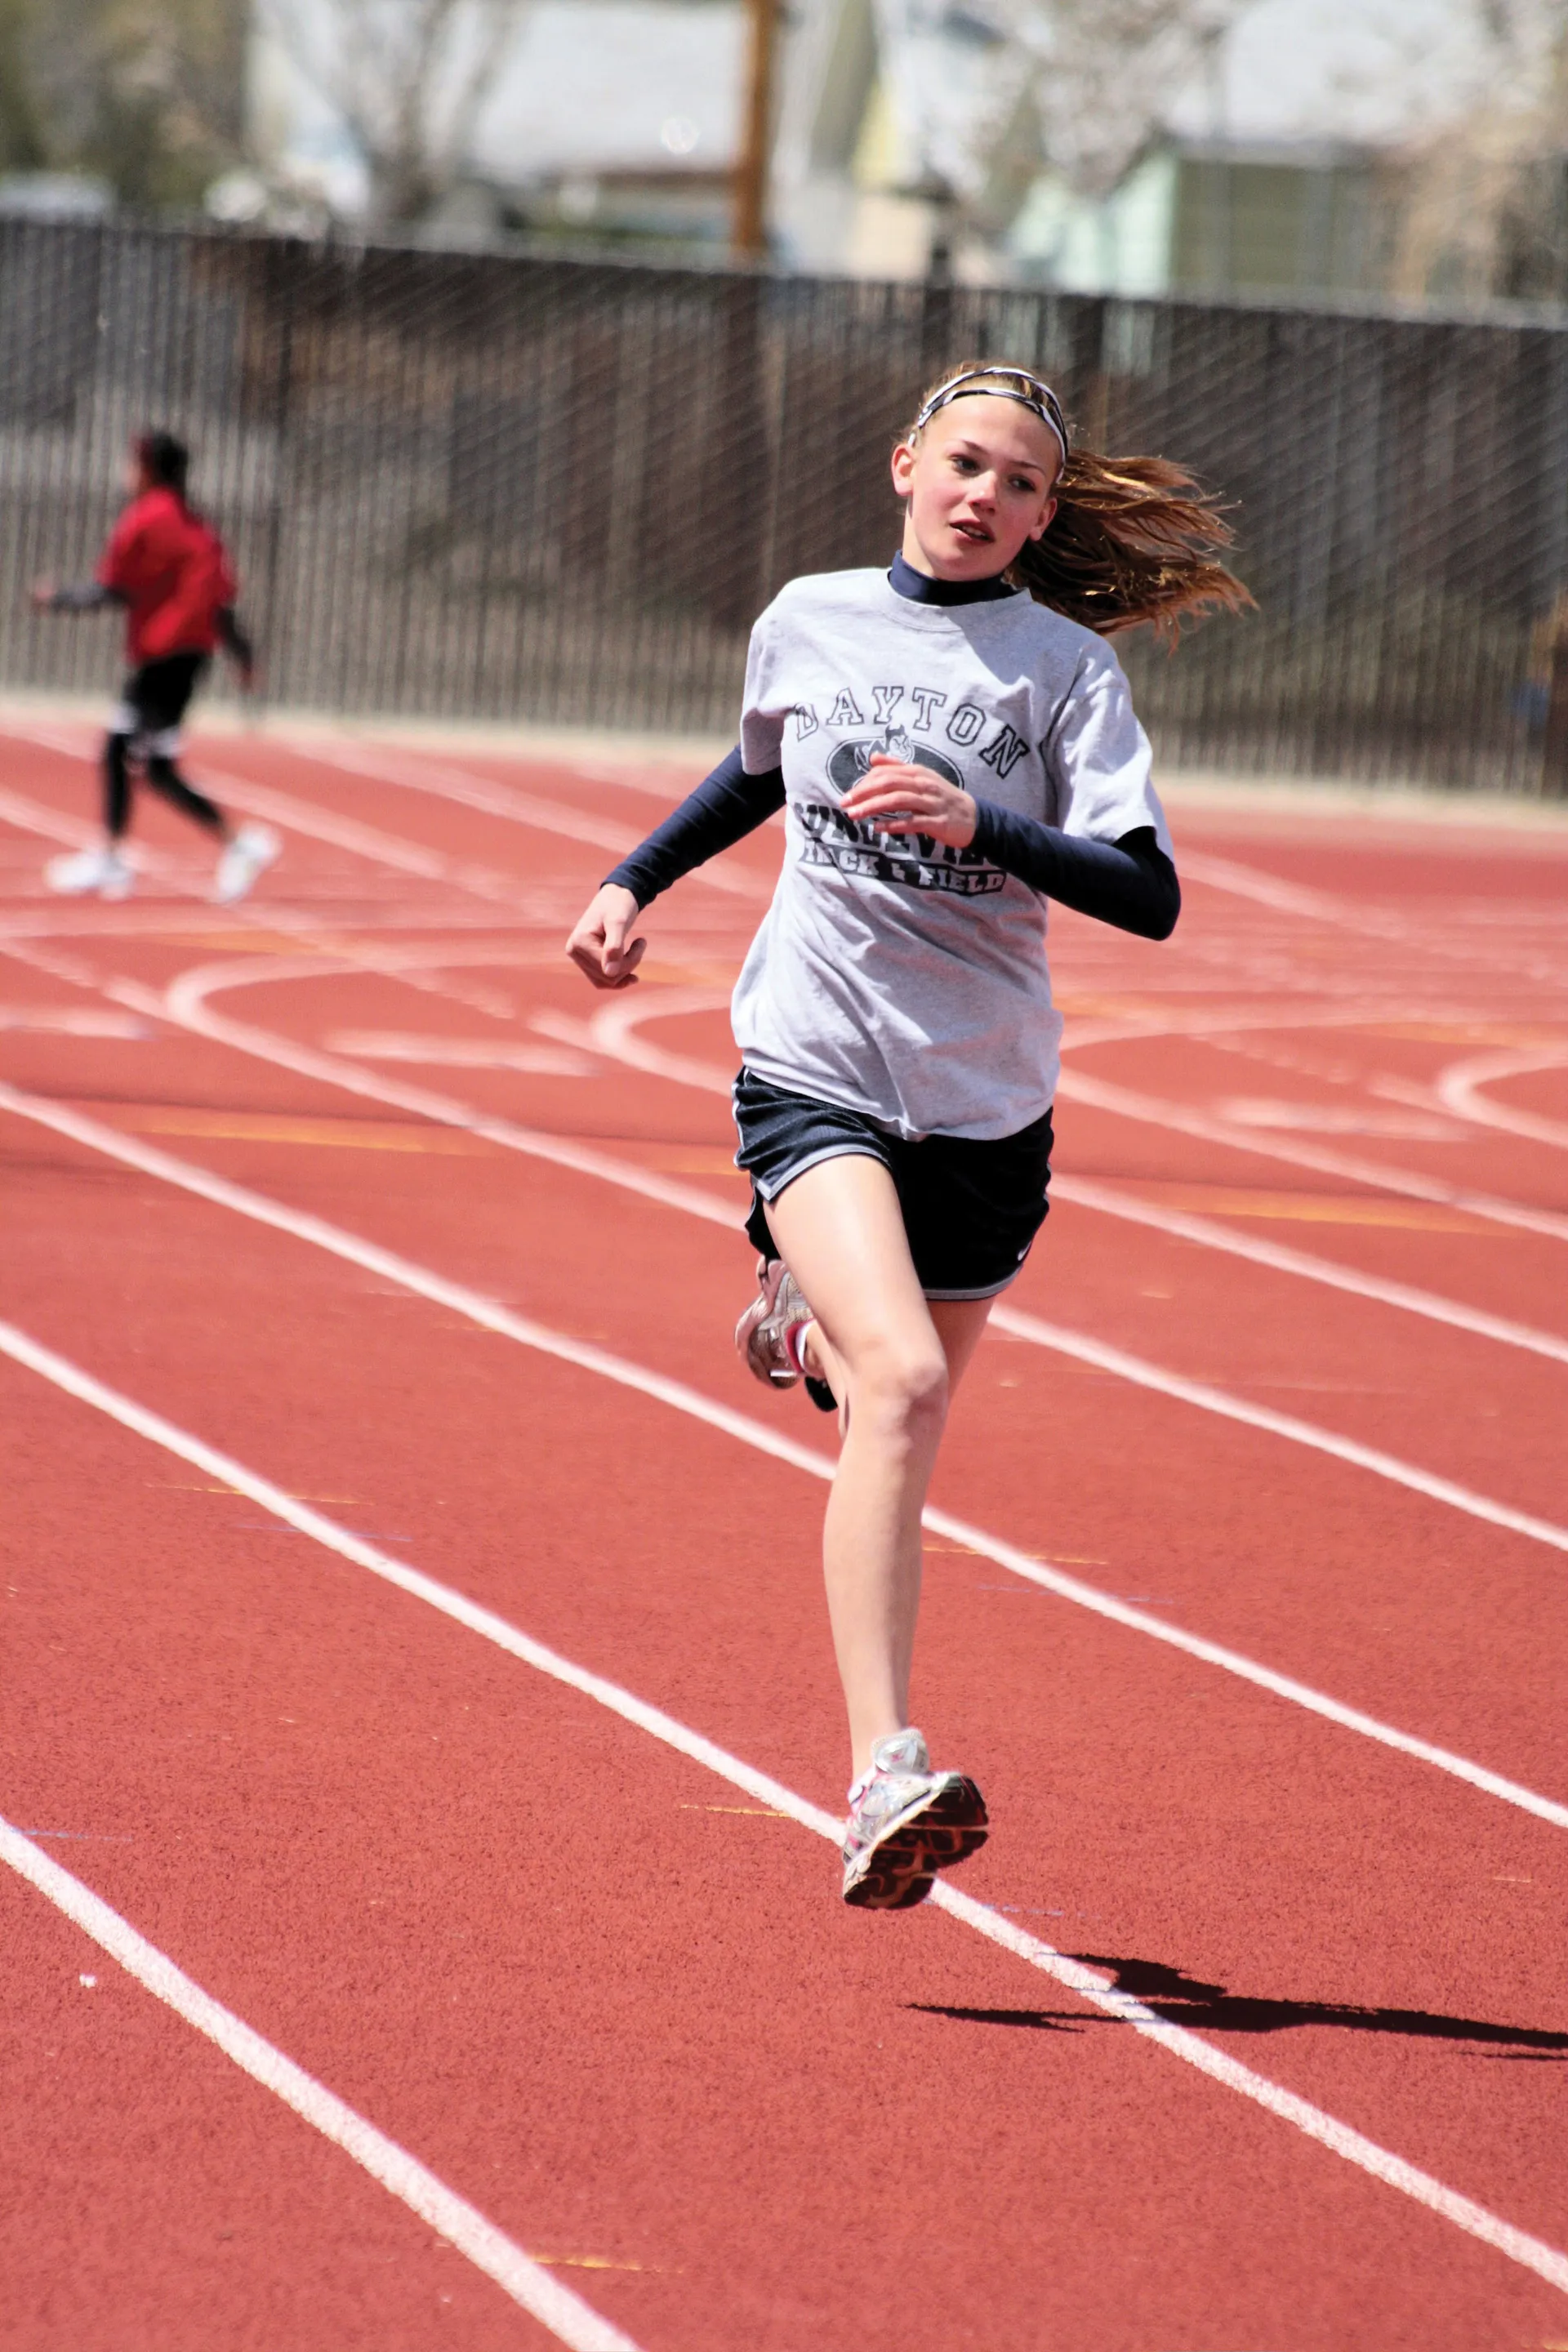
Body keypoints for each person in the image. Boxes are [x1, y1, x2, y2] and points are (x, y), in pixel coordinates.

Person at [566, 362, 1249, 1911]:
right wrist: (630, 881)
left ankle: (803, 1308)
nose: (982, 496)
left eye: (1017, 482)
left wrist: (982, 823)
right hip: (812, 1058)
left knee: (898, 1420)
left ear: (1044, 514)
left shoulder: (1064, 674)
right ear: (902, 466)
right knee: (912, 1380)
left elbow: (1149, 897)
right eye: (962, 464)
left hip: (986, 1103)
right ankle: (884, 1770)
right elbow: (753, 779)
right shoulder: (809, 617)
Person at [29, 429, 279, 904]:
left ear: (146, 469)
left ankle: (117, 861)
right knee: (149, 763)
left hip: (168, 659)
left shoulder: (144, 520)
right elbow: (221, 602)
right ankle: (231, 846)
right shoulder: (199, 528)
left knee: (123, 750)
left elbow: (113, 588)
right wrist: (242, 655)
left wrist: (57, 598)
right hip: (186, 659)